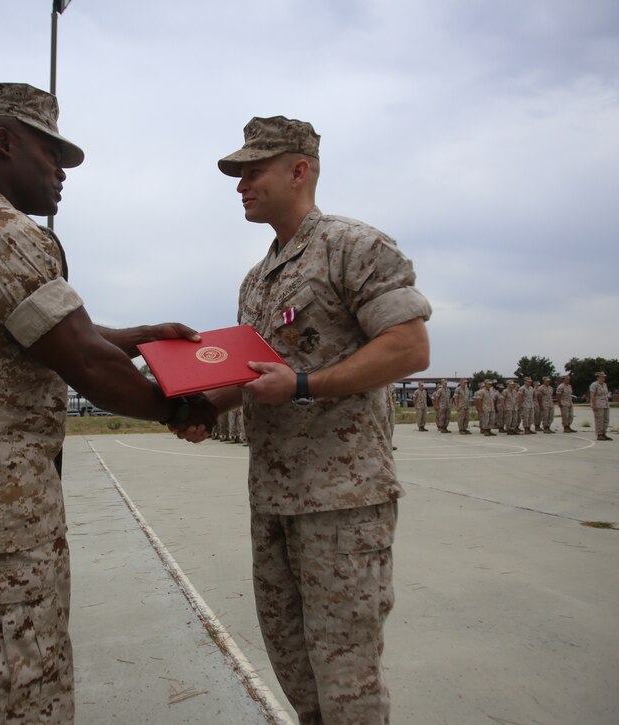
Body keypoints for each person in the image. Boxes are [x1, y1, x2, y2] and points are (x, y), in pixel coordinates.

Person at [0, 83, 217, 724]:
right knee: (17, 698)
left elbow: (46, 340)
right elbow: (86, 362)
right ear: (5, 143)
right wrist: (182, 409)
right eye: (53, 154)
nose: (63, 173)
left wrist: (137, 338)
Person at [179, 115, 431, 724]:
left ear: (300, 170)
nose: (240, 184)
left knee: (345, 672)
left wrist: (302, 385)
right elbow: (255, 375)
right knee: (293, 662)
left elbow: (408, 346)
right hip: (274, 498)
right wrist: (208, 405)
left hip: (342, 501)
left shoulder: (354, 247)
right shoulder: (256, 281)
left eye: (252, 170)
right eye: (237, 173)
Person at [590, 371, 612, 440]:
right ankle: (599, 434)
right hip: (598, 404)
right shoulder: (594, 385)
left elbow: (606, 394)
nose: (603, 378)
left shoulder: (605, 385)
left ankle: (604, 433)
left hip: (605, 404)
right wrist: (594, 405)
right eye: (602, 377)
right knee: (599, 420)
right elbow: (592, 395)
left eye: (604, 377)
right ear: (598, 377)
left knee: (606, 419)